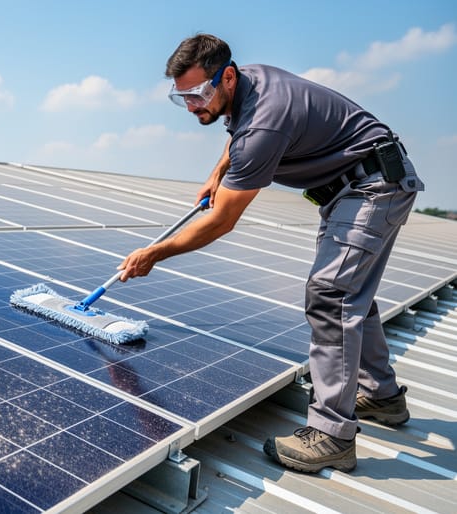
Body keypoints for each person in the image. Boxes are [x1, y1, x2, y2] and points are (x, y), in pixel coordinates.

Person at [117, 33, 422, 473]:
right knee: (349, 292)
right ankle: (381, 396)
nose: (191, 107)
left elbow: (221, 221)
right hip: (357, 185)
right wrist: (218, 173)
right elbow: (236, 129)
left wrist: (154, 253)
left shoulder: (263, 125)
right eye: (181, 97)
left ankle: (333, 435)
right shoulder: (248, 82)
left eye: (197, 94)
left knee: (332, 295)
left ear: (226, 77)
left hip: (372, 187)